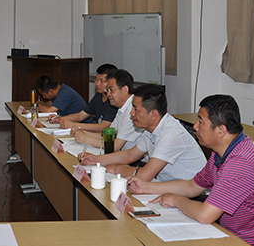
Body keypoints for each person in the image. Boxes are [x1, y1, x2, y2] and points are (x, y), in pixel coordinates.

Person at [129, 94, 254, 246]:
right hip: (239, 241)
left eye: (201, 122)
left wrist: (175, 200)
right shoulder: (222, 153)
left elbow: (205, 215)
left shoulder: (241, 162)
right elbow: (192, 186)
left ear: (221, 130)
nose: (195, 126)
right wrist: (146, 187)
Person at [78, 84, 206, 182]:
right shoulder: (151, 129)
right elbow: (130, 155)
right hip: (167, 184)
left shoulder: (170, 134)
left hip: (192, 194)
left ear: (153, 114)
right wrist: (97, 160)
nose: (131, 113)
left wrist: (116, 168)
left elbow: (145, 176)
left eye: (136, 109)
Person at [70, 69, 141, 151]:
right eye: (107, 90)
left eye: (111, 90)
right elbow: (108, 136)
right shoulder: (122, 108)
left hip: (134, 158)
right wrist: (82, 132)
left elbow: (115, 146)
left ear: (125, 89)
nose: (108, 94)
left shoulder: (132, 110)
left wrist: (86, 139)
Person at [50, 63, 118, 132]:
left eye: (102, 81)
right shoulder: (98, 96)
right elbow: (80, 116)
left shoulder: (113, 101)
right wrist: (60, 119)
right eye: (96, 80)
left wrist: (73, 125)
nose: (97, 84)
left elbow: (103, 127)